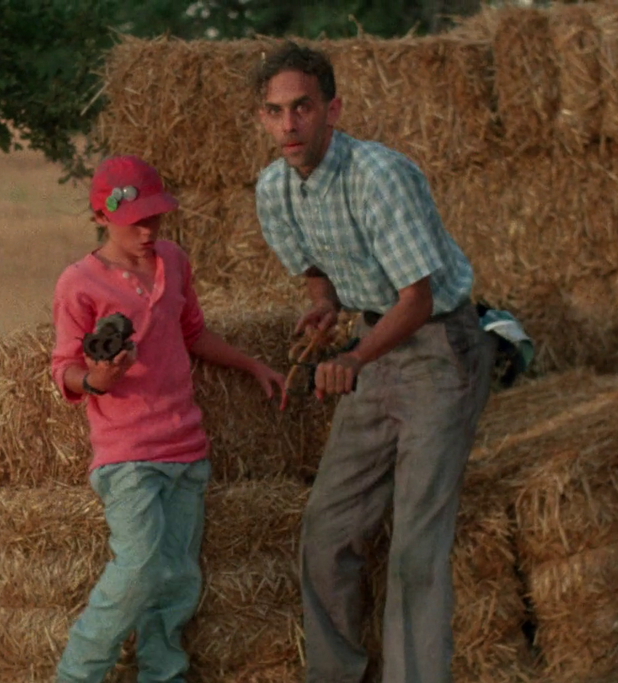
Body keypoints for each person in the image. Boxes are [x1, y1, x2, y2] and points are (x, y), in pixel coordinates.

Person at [250, 42, 496, 683]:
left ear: (332, 109)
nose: (289, 124)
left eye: (302, 107)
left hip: (438, 350)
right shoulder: (274, 189)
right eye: (275, 111)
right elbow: (313, 266)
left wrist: (355, 357)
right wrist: (324, 303)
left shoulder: (380, 175)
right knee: (327, 532)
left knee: (416, 545)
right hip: (370, 344)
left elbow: (417, 300)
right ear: (262, 119)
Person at [50, 154, 288, 683]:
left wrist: (252, 365)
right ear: (101, 217)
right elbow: (64, 367)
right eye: (136, 222)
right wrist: (96, 381)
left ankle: (164, 676)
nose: (149, 230)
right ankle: (75, 676)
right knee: (137, 570)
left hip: (187, 450)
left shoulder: (174, 261)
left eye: (155, 218)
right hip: (129, 457)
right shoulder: (79, 283)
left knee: (177, 581)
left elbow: (193, 333)